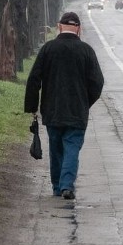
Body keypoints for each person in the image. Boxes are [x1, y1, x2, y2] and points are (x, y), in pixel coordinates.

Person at [24, 12, 104, 200]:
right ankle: (67, 185)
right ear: (79, 29)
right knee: (72, 147)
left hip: (52, 110)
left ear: (59, 27)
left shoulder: (48, 49)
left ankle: (57, 186)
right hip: (77, 112)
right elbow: (97, 83)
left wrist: (32, 107)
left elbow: (34, 79)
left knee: (55, 148)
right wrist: (86, 102)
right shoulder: (86, 51)